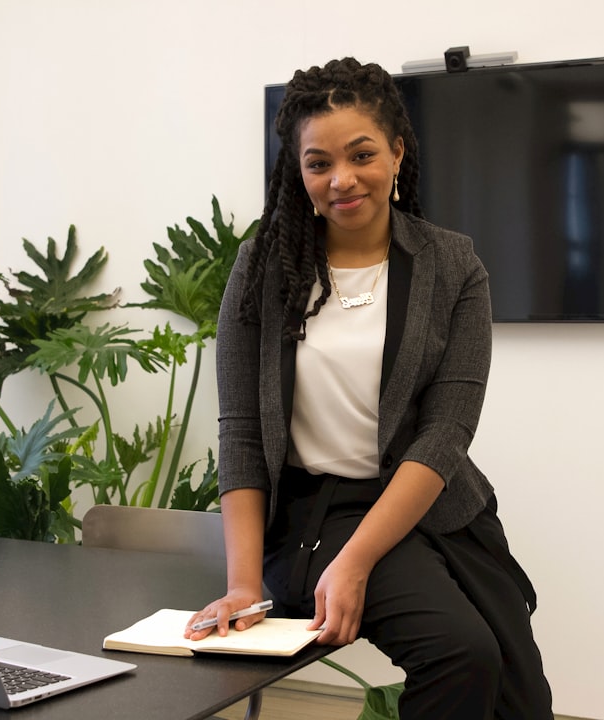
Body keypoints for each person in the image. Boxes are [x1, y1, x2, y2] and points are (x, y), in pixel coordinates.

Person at [186, 57, 553, 719]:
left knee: (515, 692)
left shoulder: (452, 264)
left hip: (427, 504)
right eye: (318, 162)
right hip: (311, 513)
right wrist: (243, 584)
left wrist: (358, 562)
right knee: (461, 653)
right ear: (296, 172)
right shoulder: (262, 265)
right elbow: (241, 430)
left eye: (361, 155)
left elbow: (447, 432)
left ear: (398, 152)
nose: (342, 180)